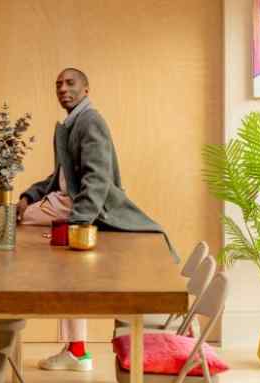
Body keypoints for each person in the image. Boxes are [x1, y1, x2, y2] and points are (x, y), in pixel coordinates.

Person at [17, 68, 177, 372]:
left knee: (21, 224)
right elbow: (61, 177)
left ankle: (74, 349)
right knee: (70, 277)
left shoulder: (90, 121)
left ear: (86, 89)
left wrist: (77, 224)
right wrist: (30, 194)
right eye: (58, 84)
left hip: (88, 211)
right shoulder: (72, 123)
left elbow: (98, 179)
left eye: (70, 83)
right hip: (74, 208)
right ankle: (76, 350)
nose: (63, 89)